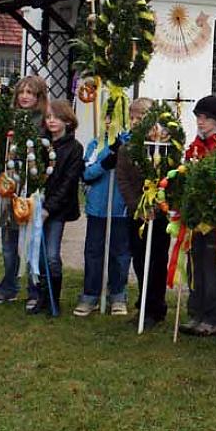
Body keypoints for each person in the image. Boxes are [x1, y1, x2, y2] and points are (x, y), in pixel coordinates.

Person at [0, 75, 49, 306]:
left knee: (31, 240)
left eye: (30, 92)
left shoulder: (45, 123)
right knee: (8, 242)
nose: (24, 96)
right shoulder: (8, 119)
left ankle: (34, 290)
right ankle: (8, 286)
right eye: (21, 92)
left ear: (39, 97)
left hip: (31, 188)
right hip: (8, 187)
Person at [116, 97, 172, 329]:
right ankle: (144, 302)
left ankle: (156, 306)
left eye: (140, 118)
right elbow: (123, 179)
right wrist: (136, 206)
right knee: (139, 259)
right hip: (137, 213)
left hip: (158, 214)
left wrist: (157, 205)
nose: (135, 122)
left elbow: (168, 178)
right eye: (132, 118)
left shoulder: (164, 148)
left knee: (157, 260)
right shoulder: (127, 149)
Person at [28, 99, 83, 316]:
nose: (51, 121)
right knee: (39, 252)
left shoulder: (74, 148)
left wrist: (48, 209)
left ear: (67, 121)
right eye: (49, 117)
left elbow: (68, 183)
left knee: (51, 253)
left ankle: (54, 299)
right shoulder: (40, 144)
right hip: (37, 204)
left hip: (57, 209)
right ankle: (41, 296)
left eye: (56, 117)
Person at [74, 116, 131, 317]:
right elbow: (86, 174)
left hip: (120, 209)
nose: (109, 123)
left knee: (120, 253)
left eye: (113, 118)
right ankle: (90, 295)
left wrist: (121, 153)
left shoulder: (130, 143)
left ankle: (117, 294)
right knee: (94, 251)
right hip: (98, 207)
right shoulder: (96, 144)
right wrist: (105, 163)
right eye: (106, 118)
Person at [179, 94, 216, 337]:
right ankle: (195, 311)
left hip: (214, 219)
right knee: (194, 265)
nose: (200, 121)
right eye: (198, 116)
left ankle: (212, 316)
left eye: (206, 117)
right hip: (195, 216)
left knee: (212, 268)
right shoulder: (195, 146)